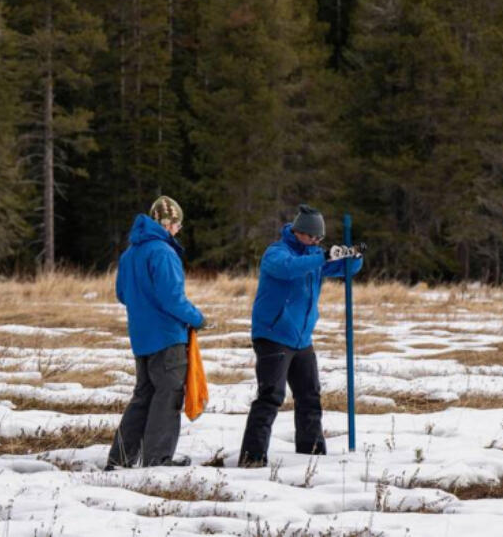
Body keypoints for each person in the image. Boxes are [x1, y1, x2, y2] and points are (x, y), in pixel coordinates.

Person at [238, 204, 363, 467]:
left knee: (309, 396)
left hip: (301, 339)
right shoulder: (276, 253)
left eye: (320, 239)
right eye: (312, 237)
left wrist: (355, 256)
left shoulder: (315, 255)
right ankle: (252, 458)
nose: (316, 242)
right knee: (271, 397)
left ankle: (311, 455)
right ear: (298, 232)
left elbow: (345, 270)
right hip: (273, 335)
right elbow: (290, 269)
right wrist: (324, 256)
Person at [107, 195, 207, 470]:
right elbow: (172, 298)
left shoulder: (130, 253)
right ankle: (158, 459)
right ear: (170, 224)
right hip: (167, 337)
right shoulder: (163, 252)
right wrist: (197, 318)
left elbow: (122, 294)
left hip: (141, 338)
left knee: (143, 397)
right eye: (177, 225)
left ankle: (121, 458)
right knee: (168, 395)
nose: (178, 230)